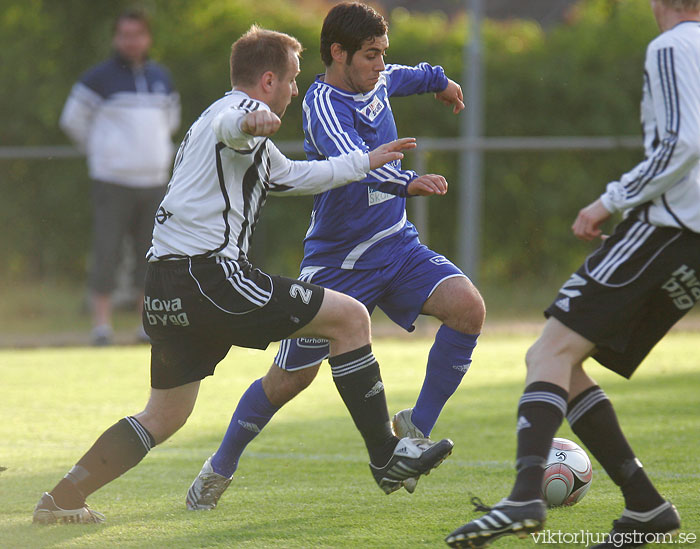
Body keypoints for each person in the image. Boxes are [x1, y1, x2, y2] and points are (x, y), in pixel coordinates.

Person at [33, 25, 454, 525]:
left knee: (164, 415)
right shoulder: (235, 115)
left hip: (166, 284)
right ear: (268, 80)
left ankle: (62, 499)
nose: (297, 91)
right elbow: (236, 126)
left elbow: (293, 177)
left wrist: (366, 161)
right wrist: (252, 121)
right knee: (350, 317)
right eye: (293, 80)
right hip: (209, 276)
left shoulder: (216, 120)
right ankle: (387, 455)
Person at [186, 2, 485, 511]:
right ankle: (219, 468)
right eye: (370, 55)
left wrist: (440, 81)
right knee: (290, 379)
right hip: (340, 261)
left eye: (382, 54)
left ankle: (413, 431)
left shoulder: (378, 78)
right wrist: (405, 181)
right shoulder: (322, 104)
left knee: (468, 308)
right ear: (338, 53)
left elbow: (405, 76)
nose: (379, 65)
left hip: (396, 244)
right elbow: (355, 163)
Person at [445, 1, 700, 547]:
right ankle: (646, 508)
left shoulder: (673, 45)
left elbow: (681, 142)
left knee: (548, 353)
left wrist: (611, 200)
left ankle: (523, 496)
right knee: (566, 364)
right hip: (691, 241)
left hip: (669, 227)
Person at [59, 8, 181, 345]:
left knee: (152, 253)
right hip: (112, 180)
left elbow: (170, 121)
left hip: (154, 180)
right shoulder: (98, 79)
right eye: (125, 35)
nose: (132, 41)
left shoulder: (161, 78)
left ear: (147, 37)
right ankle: (102, 326)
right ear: (116, 38)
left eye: (137, 34)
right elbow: (72, 120)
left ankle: (147, 325)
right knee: (106, 251)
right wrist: (103, 153)